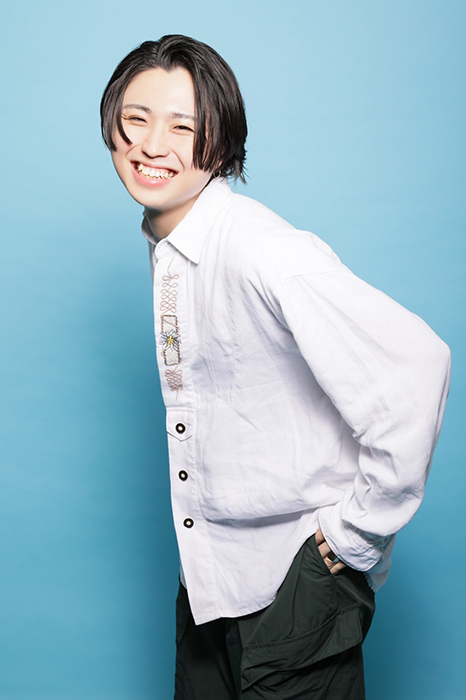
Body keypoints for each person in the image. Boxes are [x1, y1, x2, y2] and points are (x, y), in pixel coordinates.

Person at [100, 34, 451, 700]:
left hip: (292, 586)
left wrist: (354, 535)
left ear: (220, 141)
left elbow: (417, 365)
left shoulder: (261, 249)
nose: (151, 145)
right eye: (136, 119)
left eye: (182, 127)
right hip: (209, 584)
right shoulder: (174, 243)